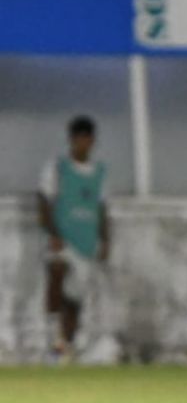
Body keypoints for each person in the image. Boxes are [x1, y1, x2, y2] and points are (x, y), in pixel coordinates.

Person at [38, 115, 109, 362]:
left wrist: (105, 240)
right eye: (77, 139)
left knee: (75, 299)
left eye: (86, 139)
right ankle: (49, 336)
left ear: (92, 141)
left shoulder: (99, 172)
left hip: (86, 242)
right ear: (71, 140)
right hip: (62, 238)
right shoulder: (57, 167)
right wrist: (53, 233)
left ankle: (63, 349)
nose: (81, 144)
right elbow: (44, 201)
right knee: (56, 272)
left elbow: (102, 208)